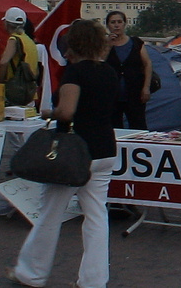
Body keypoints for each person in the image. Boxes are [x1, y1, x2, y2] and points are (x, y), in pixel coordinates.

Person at [8, 19, 119, 288]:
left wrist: (49, 113)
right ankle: (94, 280)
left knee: (50, 214)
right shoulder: (109, 72)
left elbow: (67, 112)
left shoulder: (75, 73)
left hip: (74, 152)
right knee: (96, 216)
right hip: (105, 148)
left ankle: (31, 273)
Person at [105, 11, 152, 130]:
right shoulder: (104, 44)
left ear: (124, 24)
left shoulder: (136, 43)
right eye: (113, 22)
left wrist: (146, 87)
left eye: (119, 22)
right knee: (113, 126)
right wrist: (108, 45)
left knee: (138, 125)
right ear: (108, 25)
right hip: (112, 94)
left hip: (135, 92)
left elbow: (147, 64)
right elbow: (100, 63)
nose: (116, 25)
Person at [0, 7, 39, 102]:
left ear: (7, 24)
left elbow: (4, 62)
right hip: (29, 91)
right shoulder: (29, 40)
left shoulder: (14, 40)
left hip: (16, 90)